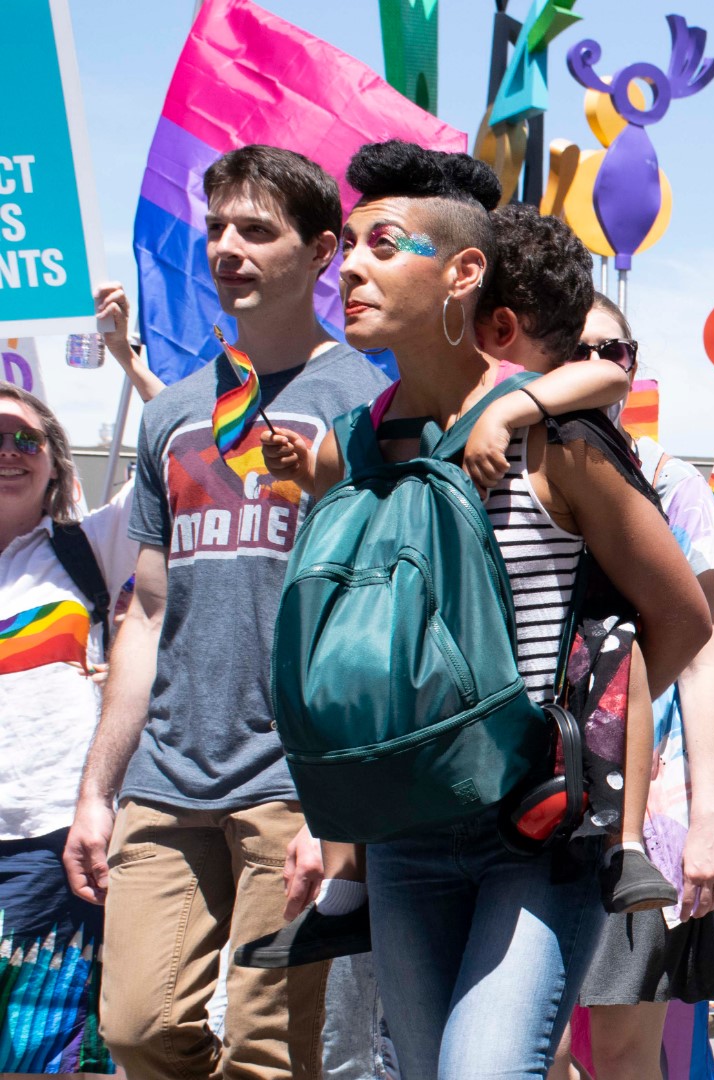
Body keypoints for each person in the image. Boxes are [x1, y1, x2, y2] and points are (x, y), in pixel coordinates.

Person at [282, 139, 710, 1077]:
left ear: (464, 272)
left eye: (384, 243)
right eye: (348, 244)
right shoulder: (356, 445)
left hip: (536, 833)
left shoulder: (551, 433)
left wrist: (578, 733)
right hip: (402, 829)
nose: (350, 264)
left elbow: (679, 621)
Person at [61, 144, 391, 1080]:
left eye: (257, 229)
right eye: (216, 228)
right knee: (134, 1029)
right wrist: (98, 789)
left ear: (323, 250)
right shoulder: (174, 415)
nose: (227, 248)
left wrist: (347, 811)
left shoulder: (370, 403)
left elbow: (386, 617)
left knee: (269, 1050)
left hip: (299, 782)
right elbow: (148, 609)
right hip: (166, 776)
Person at [557, 290, 714, 1080]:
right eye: (582, 349)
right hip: (534, 797)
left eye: (617, 351)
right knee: (541, 1043)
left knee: (626, 1050)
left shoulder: (674, 486)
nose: (601, 366)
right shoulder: (512, 469)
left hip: (648, 810)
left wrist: (709, 817)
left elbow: (702, 654)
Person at [1, 377, 155, 1074]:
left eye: (25, 438)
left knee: (32, 1049)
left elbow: (175, 443)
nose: (9, 451)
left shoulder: (87, 547)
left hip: (47, 839)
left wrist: (129, 359)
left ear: (58, 465)